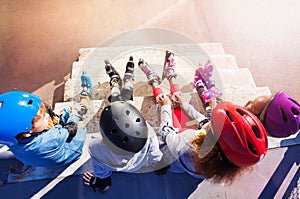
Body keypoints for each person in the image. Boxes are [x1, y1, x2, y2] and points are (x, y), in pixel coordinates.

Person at [139, 50, 268, 183]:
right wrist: (184, 105)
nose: (210, 122)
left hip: (172, 152)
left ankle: (154, 80)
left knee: (166, 104)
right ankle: (168, 76)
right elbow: (204, 123)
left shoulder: (187, 146)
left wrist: (166, 105)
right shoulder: (224, 158)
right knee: (178, 101)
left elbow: (167, 133)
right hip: (186, 157)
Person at [82, 57, 163, 194]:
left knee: (116, 102)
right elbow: (157, 159)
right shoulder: (148, 134)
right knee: (121, 102)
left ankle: (117, 82)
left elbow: (104, 180)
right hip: (138, 165)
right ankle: (126, 80)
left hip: (123, 166)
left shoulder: (97, 149)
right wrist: (161, 169)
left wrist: (97, 185)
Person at [0, 74, 91, 168]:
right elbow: (70, 128)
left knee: (56, 117)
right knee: (76, 117)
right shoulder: (53, 137)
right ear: (26, 133)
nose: (47, 115)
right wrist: (74, 116)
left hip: (38, 157)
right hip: (70, 153)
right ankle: (85, 101)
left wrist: (52, 115)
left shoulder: (12, 139)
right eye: (43, 117)